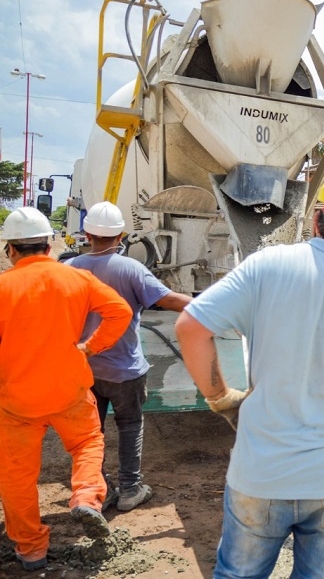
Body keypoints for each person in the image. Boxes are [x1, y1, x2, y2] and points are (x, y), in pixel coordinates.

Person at [174, 161, 324, 578]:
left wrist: (220, 396)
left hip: (261, 473)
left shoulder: (266, 266)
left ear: (316, 218)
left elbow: (191, 327)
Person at [0, 207, 131, 571]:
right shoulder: (78, 279)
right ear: (49, 245)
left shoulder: (3, 286)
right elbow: (119, 311)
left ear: (11, 249)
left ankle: (30, 551)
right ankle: (87, 497)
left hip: (15, 399)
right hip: (69, 389)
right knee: (87, 442)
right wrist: (91, 346)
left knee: (16, 476)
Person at [66, 201, 192, 513]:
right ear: (121, 235)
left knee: (90, 435)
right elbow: (170, 300)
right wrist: (223, 305)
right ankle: (130, 490)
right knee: (130, 426)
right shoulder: (131, 269)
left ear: (87, 233)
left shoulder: (69, 269)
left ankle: (97, 490)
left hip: (83, 368)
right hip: (124, 370)